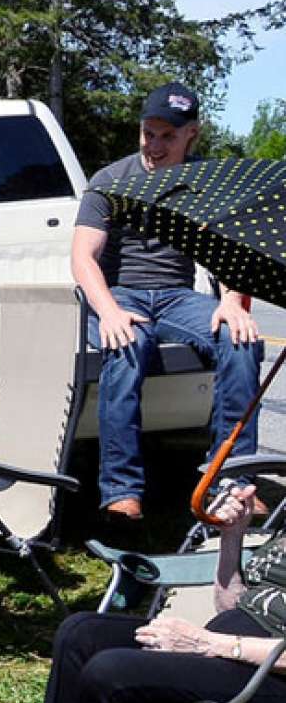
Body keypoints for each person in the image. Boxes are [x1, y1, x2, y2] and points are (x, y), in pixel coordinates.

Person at [2, 482, 286, 703]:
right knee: (82, 633)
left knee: (113, 673)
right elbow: (235, 604)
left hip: (269, 678)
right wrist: (232, 536)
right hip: (230, 652)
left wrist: (209, 643)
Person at [73, 81, 262, 522]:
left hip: (178, 296)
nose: (155, 146)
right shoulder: (111, 180)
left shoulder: (207, 182)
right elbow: (83, 257)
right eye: (149, 133)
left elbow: (231, 251)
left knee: (241, 340)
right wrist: (110, 312)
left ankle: (230, 479)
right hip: (120, 293)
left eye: (168, 136)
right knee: (126, 345)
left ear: (191, 133)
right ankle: (121, 489)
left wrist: (231, 301)